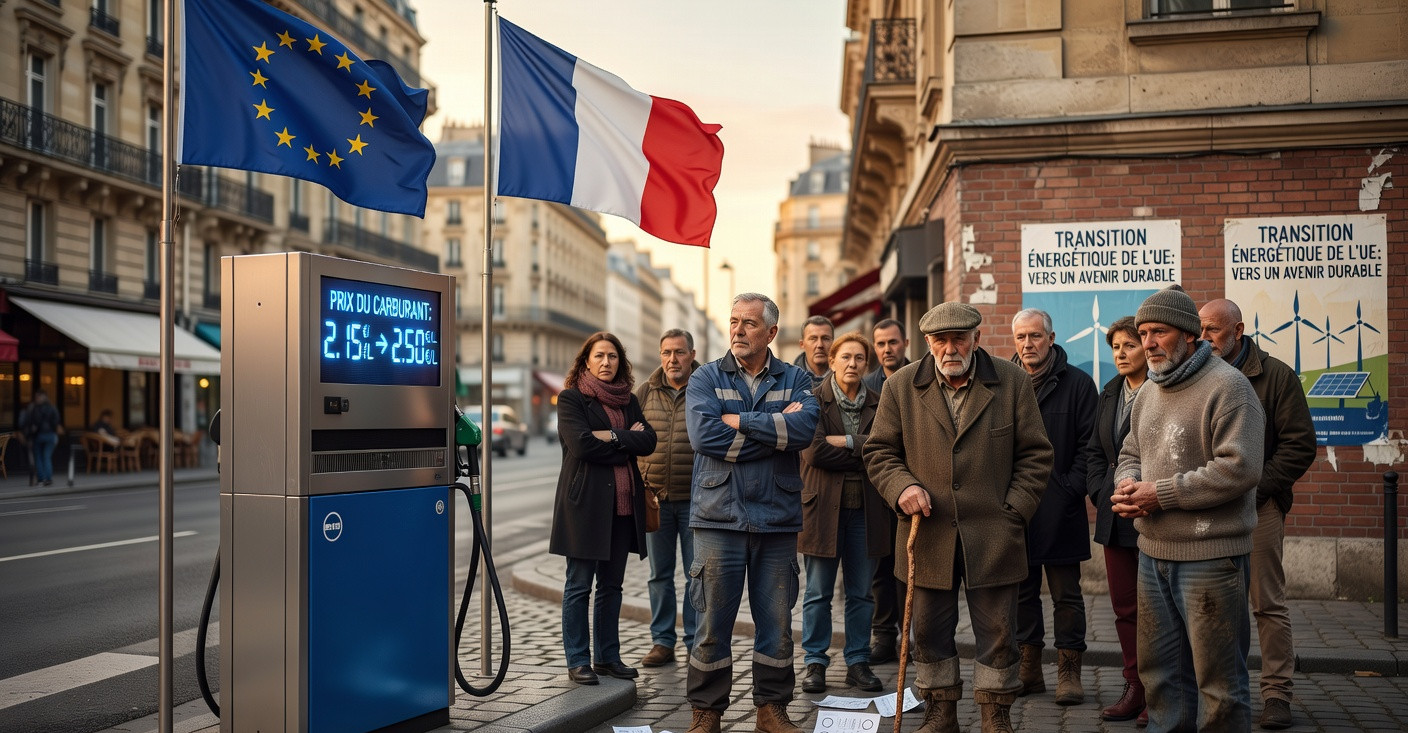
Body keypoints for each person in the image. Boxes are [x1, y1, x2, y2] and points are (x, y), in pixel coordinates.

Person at [864, 302, 1052, 733]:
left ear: (976, 339)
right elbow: (878, 452)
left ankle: (995, 713)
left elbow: (1037, 456)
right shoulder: (901, 387)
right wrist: (902, 487)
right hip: (926, 534)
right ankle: (940, 712)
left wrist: (1013, 512)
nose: (951, 349)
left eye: (959, 339)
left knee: (1000, 633)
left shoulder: (1012, 382)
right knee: (927, 633)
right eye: (941, 341)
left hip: (994, 534)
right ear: (928, 344)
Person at [1113, 286, 1265, 733]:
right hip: (1152, 555)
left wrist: (1159, 495)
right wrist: (1126, 483)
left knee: (1218, 686)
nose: (1148, 343)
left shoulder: (1229, 387)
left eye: (1158, 331)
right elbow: (1129, 452)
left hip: (1212, 558)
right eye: (1143, 333)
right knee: (1160, 678)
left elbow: (1240, 468)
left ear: (1189, 334)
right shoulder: (1148, 392)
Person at [684, 293, 820, 733]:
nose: (738, 331)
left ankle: (771, 710)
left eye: (749, 324)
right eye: (734, 321)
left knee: (778, 624)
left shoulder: (797, 377)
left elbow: (803, 431)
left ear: (772, 333)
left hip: (776, 518)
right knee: (710, 623)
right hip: (717, 515)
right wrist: (774, 428)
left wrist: (739, 421)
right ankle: (706, 711)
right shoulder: (705, 376)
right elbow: (704, 436)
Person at [1199, 298, 1316, 731]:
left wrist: (1254, 486)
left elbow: (1300, 445)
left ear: (1238, 330)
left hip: (1259, 506)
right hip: (1208, 509)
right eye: (1201, 330)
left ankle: (1276, 695)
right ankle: (1220, 694)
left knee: (1266, 604)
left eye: (1213, 329)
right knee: (1211, 603)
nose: (1205, 338)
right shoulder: (1198, 373)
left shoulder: (1276, 375)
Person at [549, 332, 658, 686]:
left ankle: (608, 657)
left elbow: (649, 441)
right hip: (585, 507)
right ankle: (578, 659)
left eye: (612, 356)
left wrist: (610, 436)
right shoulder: (571, 399)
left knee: (612, 587)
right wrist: (626, 440)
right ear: (586, 361)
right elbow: (581, 446)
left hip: (623, 508)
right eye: (599, 356)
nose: (606, 363)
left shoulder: (627, 400)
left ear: (620, 362)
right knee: (579, 585)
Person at [1009, 308, 1097, 706]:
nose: (1028, 344)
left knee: (1067, 596)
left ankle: (1068, 672)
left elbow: (1090, 447)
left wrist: (1066, 490)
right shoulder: (1004, 383)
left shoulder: (1078, 384)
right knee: (1022, 594)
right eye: (1021, 337)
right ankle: (1028, 670)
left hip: (1061, 510)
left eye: (1035, 336)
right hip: (1016, 510)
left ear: (1051, 337)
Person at [798, 332, 888, 694]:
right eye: (846, 357)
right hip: (821, 510)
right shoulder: (813, 401)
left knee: (862, 593)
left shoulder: (881, 403)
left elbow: (885, 449)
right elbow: (815, 452)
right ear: (832, 361)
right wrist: (862, 452)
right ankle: (815, 663)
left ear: (867, 365)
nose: (853, 364)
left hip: (866, 512)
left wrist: (848, 442)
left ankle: (857, 661)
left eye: (859, 359)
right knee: (818, 592)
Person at [1085, 316, 1149, 723]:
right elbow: (1095, 451)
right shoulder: (1109, 392)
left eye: (1129, 345)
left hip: (1153, 513)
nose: (1121, 354)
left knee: (1161, 609)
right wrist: (1100, 491)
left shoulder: (1163, 389)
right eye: (1115, 347)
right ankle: (1135, 687)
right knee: (1125, 608)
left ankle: (1164, 689)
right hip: (1114, 514)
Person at [635, 328, 701, 667]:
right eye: (666, 353)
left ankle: (694, 641)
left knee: (696, 574)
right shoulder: (645, 391)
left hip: (697, 500)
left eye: (678, 352)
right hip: (654, 501)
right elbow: (631, 439)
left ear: (691, 354)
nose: (672, 359)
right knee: (659, 575)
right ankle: (662, 642)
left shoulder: (705, 387)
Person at [862, 317, 910, 664]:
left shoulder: (921, 377)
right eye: (880, 344)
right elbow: (868, 442)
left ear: (905, 343)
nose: (887, 349)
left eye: (892, 342)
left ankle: (911, 636)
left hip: (917, 487)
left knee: (912, 567)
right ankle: (882, 636)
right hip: (877, 489)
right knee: (880, 567)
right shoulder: (866, 385)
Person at [20, 390, 62, 486]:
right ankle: (48, 479)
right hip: (50, 434)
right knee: (46, 456)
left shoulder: (34, 408)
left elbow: (30, 422)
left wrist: (29, 434)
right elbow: (56, 422)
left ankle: (41, 478)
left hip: (38, 435)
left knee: (38, 457)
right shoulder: (52, 408)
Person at [793, 315, 834, 388]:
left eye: (825, 338)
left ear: (834, 344)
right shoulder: (788, 380)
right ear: (802, 344)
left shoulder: (850, 380)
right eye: (813, 339)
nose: (820, 345)